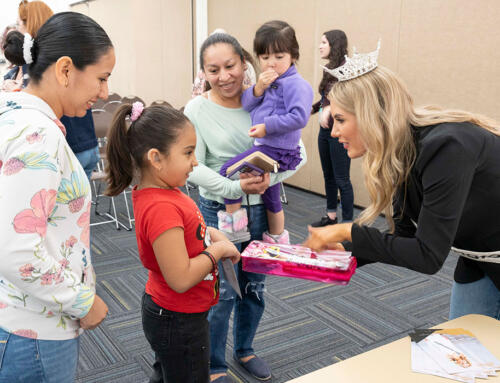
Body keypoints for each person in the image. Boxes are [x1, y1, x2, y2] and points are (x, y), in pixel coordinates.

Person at [304, 41, 500, 320]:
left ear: (372, 116)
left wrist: (346, 231)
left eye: (340, 120)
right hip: (478, 258)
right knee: (466, 352)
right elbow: (406, 237)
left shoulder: (446, 148)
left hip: (487, 251)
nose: (334, 132)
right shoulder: (400, 153)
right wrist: (345, 253)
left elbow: (428, 256)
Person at [184, 32, 307, 382]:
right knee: (222, 292)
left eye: (230, 65)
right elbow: (194, 166)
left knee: (255, 288)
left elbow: (300, 153)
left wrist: (274, 176)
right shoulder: (196, 109)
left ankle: (245, 349)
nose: (224, 76)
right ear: (203, 73)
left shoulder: (268, 98)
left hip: (261, 211)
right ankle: (214, 366)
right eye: (213, 69)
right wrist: (234, 186)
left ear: (244, 63)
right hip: (218, 210)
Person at [0, 11, 114, 382]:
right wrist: (84, 302)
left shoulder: (14, 115)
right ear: (65, 70)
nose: (105, 93)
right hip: (35, 329)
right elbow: (16, 247)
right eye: (101, 78)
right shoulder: (38, 135)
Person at [104, 102, 241, 382]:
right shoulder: (161, 207)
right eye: (188, 153)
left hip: (175, 314)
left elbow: (185, 233)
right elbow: (179, 278)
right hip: (179, 318)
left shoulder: (165, 191)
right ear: (156, 158)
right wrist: (217, 250)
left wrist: (211, 234)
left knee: (170, 371)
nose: (195, 162)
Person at [218, 20, 313, 245]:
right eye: (265, 57)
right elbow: (246, 104)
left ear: (293, 56)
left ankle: (234, 231)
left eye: (279, 57)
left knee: (226, 172)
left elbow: (300, 117)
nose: (271, 63)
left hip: (278, 152)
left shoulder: (297, 85)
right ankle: (277, 239)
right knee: (271, 194)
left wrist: (266, 127)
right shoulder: (269, 81)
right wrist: (258, 88)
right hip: (267, 148)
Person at [310, 29, 354, 227]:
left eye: (324, 42)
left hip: (340, 132)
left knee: (342, 179)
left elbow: (349, 100)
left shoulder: (348, 69)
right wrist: (308, 110)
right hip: (325, 131)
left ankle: (347, 225)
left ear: (334, 45)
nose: (319, 46)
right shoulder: (328, 68)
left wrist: (330, 107)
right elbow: (324, 100)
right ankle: (331, 217)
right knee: (328, 176)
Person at [2, 0, 53, 92]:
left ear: (31, 24)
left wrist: (16, 91)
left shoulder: (44, 63)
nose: (17, 30)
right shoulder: (23, 64)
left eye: (18, 24)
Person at [191, 28, 257, 98]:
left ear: (243, 63)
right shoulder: (197, 106)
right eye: (214, 70)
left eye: (229, 66)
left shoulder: (248, 68)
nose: (224, 77)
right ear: (204, 74)